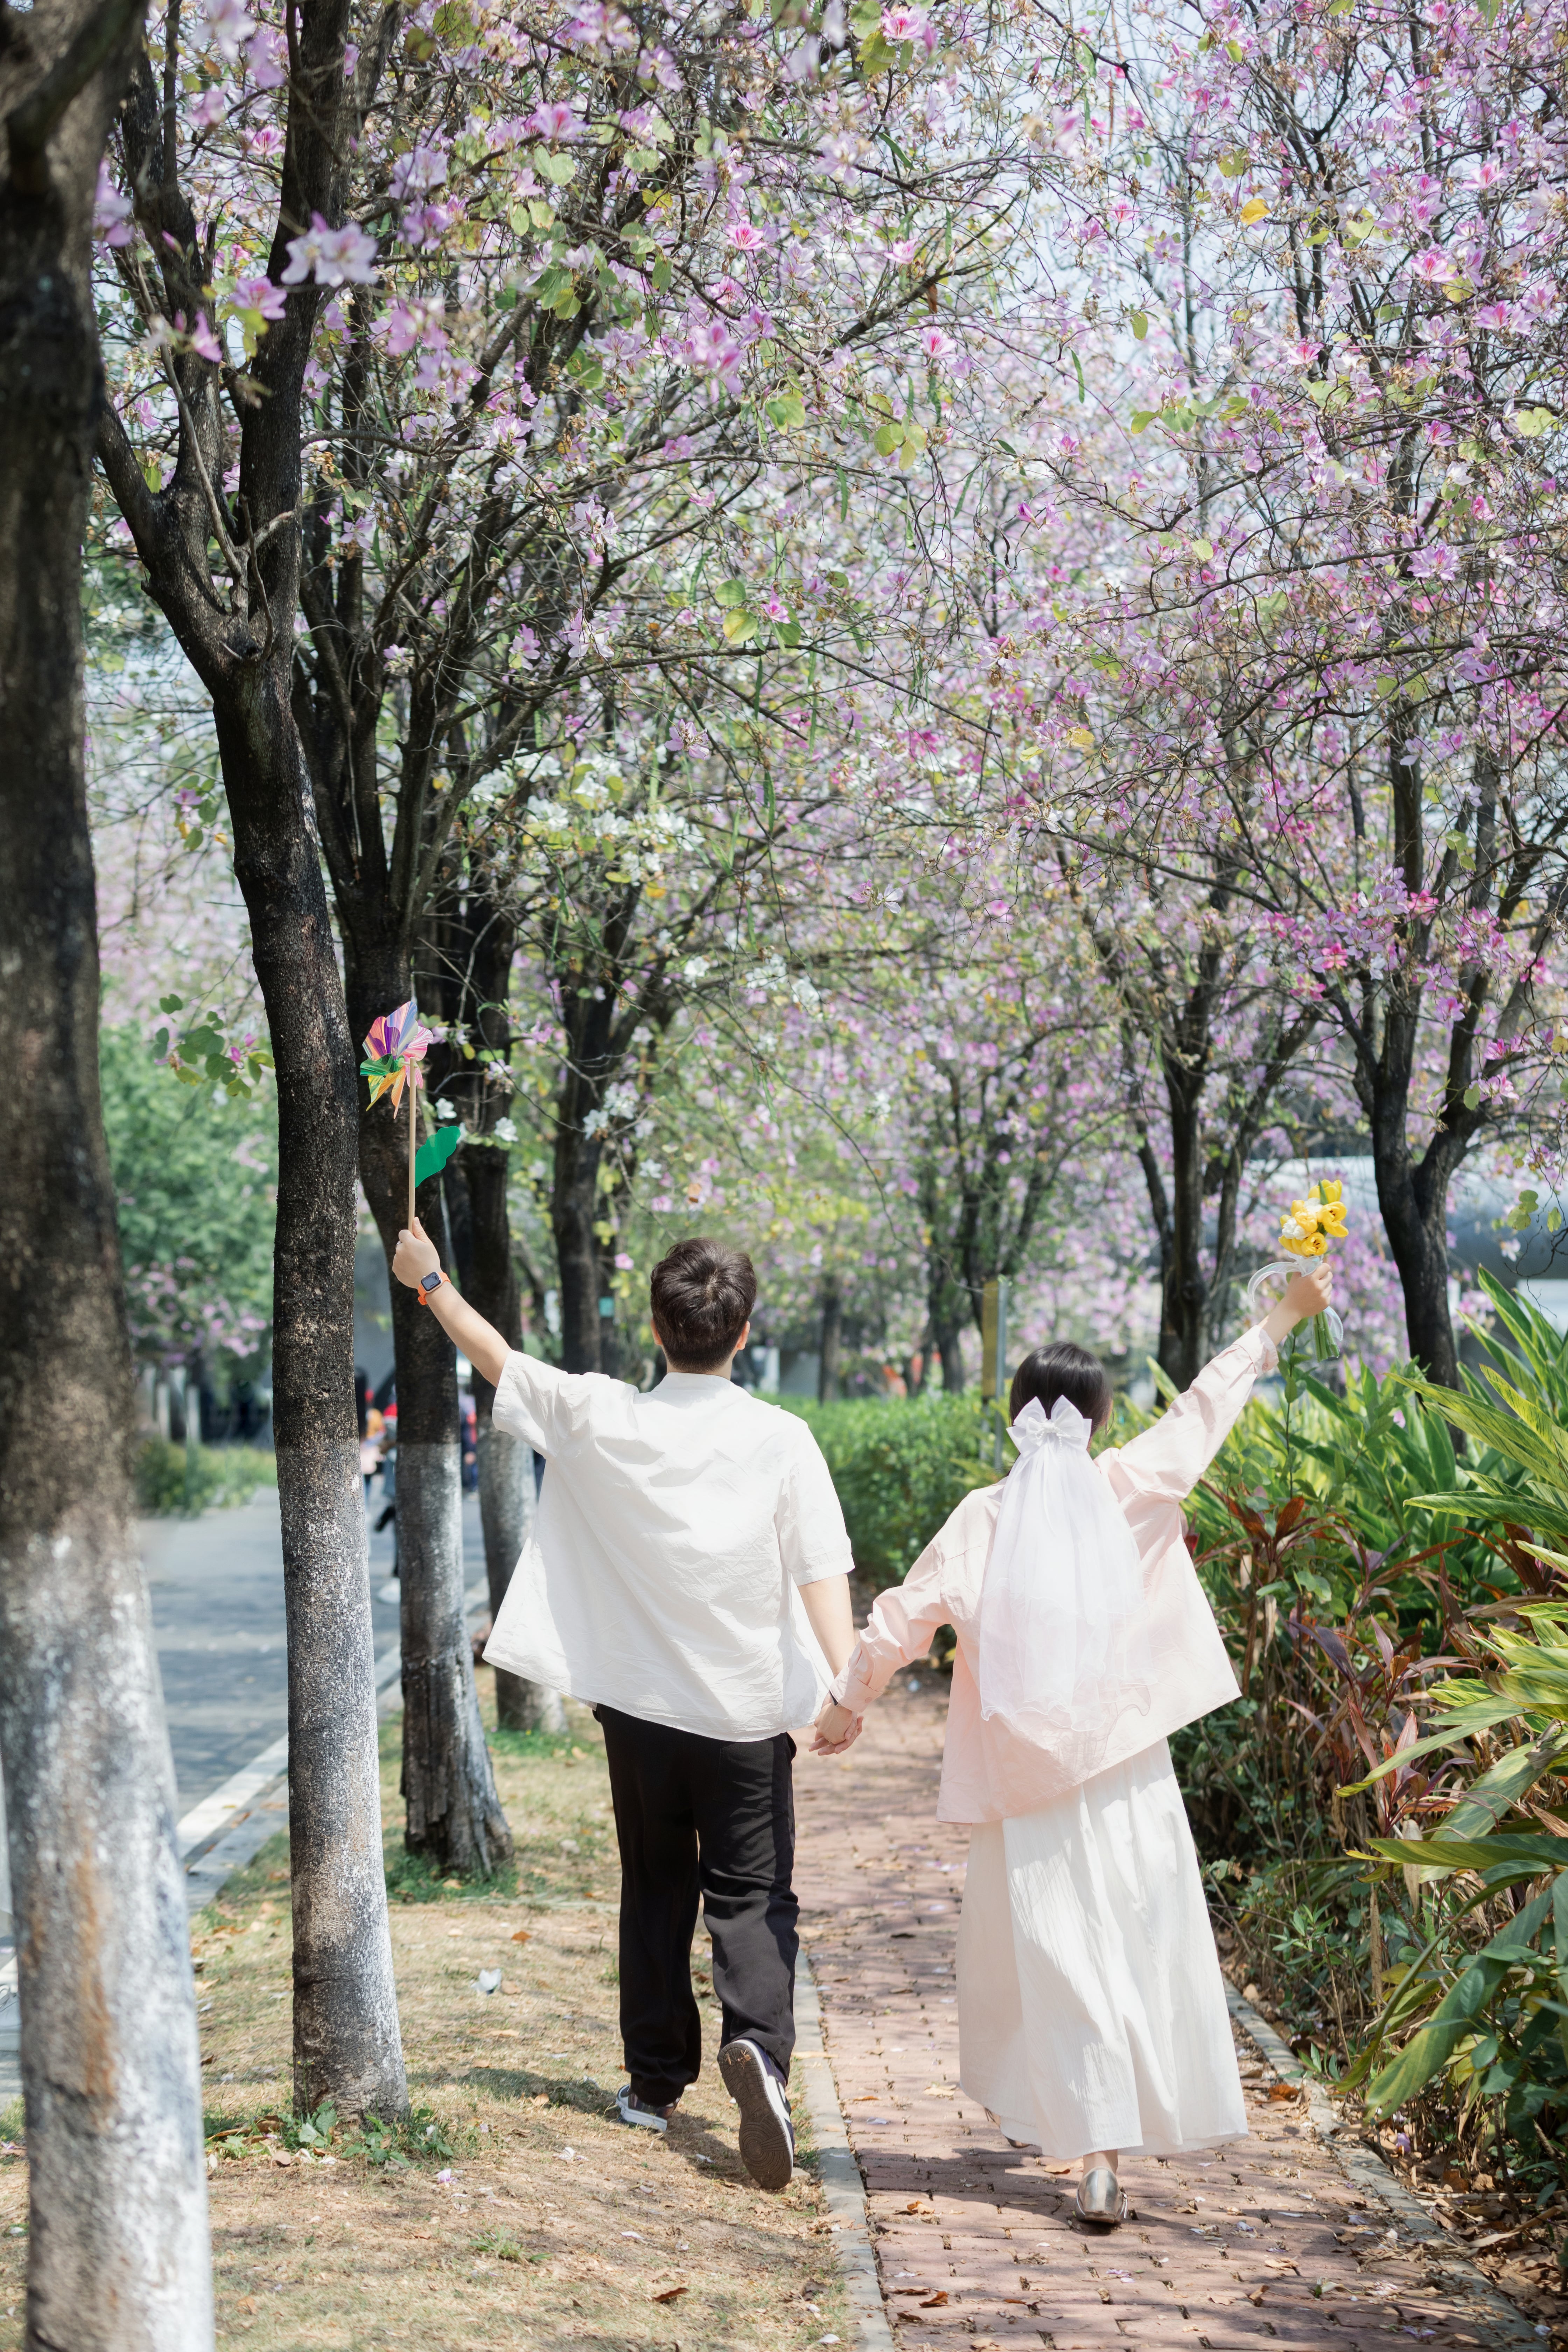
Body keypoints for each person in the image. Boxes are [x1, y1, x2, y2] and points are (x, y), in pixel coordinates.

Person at [810, 1264, 1335, 2229]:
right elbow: (1205, 1409)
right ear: (1096, 1420)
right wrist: (1281, 1319)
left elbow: (898, 1619)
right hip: (1128, 1771)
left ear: (1017, 1417)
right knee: (1130, 1943)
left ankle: (1093, 2147)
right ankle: (1103, 2150)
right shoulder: (1129, 1486)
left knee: (1061, 1957)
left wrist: (847, 1704)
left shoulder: (983, 1519)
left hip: (1025, 1786)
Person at [389, 1221, 857, 2193]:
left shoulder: (601, 1415)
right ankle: (759, 2055)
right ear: (744, 1332)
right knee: (753, 1898)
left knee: (654, 1887)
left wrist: (431, 1280)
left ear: (655, 1326)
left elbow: (498, 1359)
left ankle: (653, 2084)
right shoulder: (781, 1438)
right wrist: (845, 1690)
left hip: (641, 1717)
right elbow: (821, 1572)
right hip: (744, 1721)